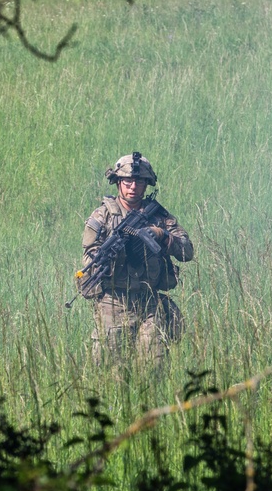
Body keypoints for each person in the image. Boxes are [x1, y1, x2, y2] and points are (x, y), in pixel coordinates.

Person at [78, 152, 194, 366]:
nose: (133, 187)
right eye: (127, 181)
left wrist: (162, 236)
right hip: (114, 303)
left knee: (154, 366)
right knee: (112, 372)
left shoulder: (159, 216)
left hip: (149, 302)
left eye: (139, 182)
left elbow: (187, 250)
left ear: (147, 184)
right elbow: (90, 256)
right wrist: (112, 255)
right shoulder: (102, 216)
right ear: (118, 183)